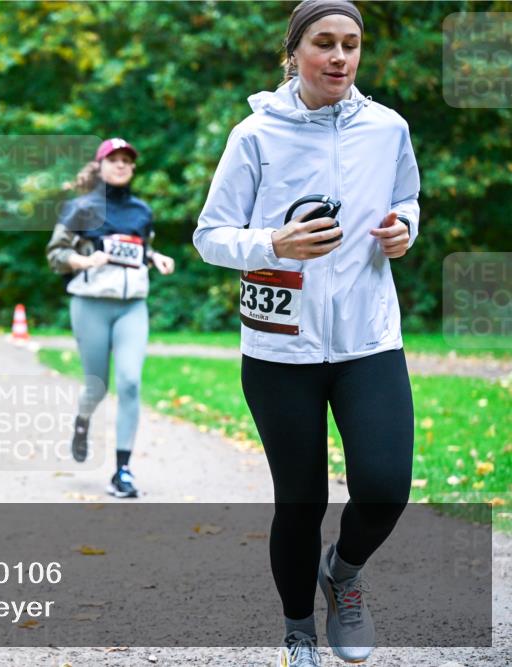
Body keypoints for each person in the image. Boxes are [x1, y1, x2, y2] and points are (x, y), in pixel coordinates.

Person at [192, 1, 420, 664]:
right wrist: (274, 242)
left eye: (351, 44)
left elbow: (406, 202)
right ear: (294, 52)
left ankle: (342, 573)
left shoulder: (389, 130)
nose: (340, 57)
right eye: (324, 43)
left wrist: (404, 230)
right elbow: (210, 236)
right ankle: (298, 633)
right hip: (278, 347)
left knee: (384, 487)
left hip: (368, 338)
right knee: (301, 499)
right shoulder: (255, 135)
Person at [46, 137, 175, 499]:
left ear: (133, 168)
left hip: (132, 304)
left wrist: (156, 258)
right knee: (96, 385)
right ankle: (83, 419)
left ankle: (122, 470)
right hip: (90, 305)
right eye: (113, 159)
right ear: (99, 165)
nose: (120, 165)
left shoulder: (141, 211)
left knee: (131, 382)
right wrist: (84, 261)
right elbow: (56, 254)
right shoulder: (80, 208)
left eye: (126, 160)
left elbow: (140, 248)